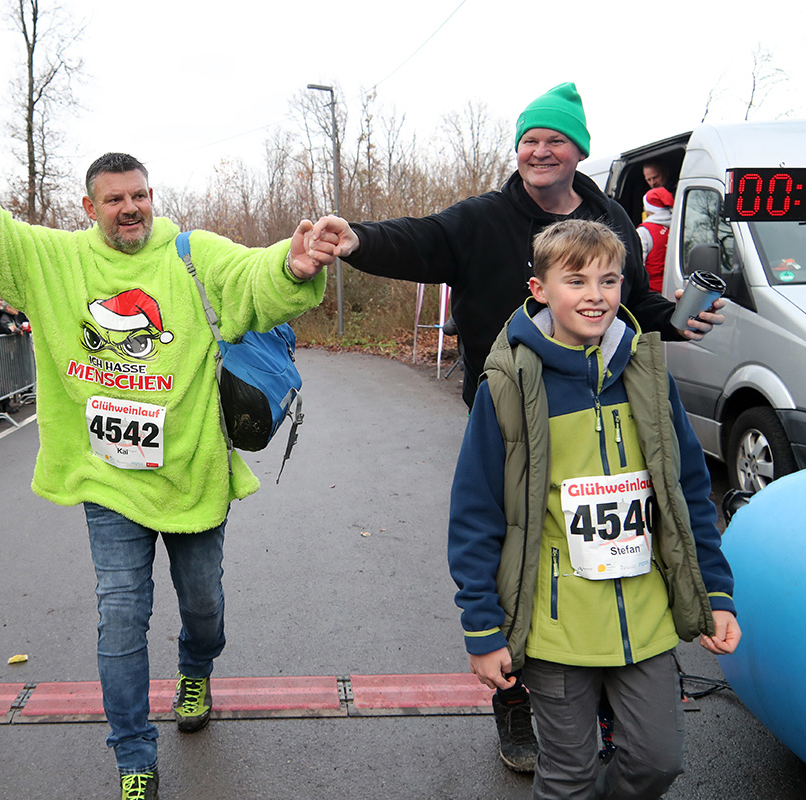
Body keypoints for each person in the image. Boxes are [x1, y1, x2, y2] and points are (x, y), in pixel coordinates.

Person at [0, 84, 331, 800]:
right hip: (106, 480)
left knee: (204, 605)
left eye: (138, 195)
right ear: (89, 208)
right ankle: (134, 756)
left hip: (193, 471)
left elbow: (251, 278)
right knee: (119, 612)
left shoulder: (192, 253)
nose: (129, 208)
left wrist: (290, 267)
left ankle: (195, 670)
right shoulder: (55, 263)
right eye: (113, 199)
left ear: (150, 196)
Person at [308, 83, 725, 771]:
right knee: (519, 545)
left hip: (604, 401)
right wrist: (356, 240)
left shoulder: (612, 218)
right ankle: (514, 694)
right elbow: (421, 242)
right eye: (529, 139)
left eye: (553, 140)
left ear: (578, 151)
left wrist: (671, 316)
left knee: (607, 538)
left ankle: (616, 692)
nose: (538, 150)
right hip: (511, 413)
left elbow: (632, 302)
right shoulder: (482, 219)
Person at [446, 219, 740, 798]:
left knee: (658, 761)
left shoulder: (647, 375)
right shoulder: (505, 385)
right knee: (569, 773)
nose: (594, 294)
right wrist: (482, 628)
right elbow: (476, 513)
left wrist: (716, 593)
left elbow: (687, 493)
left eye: (608, 280)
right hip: (557, 624)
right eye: (575, 280)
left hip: (645, 616)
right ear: (540, 290)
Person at [637, 187, 673, 293]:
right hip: (673, 289)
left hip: (651, 293)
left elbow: (638, 265)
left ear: (649, 208)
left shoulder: (644, 231)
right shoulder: (677, 227)